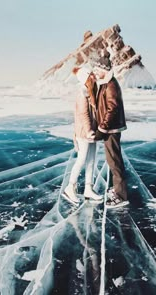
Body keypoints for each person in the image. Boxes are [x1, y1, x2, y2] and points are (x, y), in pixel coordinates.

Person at [62, 65, 103, 206]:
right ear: (86, 78)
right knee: (81, 159)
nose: (93, 76)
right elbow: (83, 114)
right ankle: (70, 187)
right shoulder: (82, 92)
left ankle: (88, 188)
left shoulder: (91, 91)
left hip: (91, 131)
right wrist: (89, 131)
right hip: (83, 133)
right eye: (90, 75)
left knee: (91, 160)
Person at [93, 56, 129, 208]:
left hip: (111, 129)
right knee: (112, 160)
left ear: (103, 70)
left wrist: (102, 127)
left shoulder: (111, 85)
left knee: (114, 161)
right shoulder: (105, 83)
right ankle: (117, 189)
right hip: (109, 127)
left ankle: (121, 196)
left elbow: (112, 108)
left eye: (97, 69)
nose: (94, 72)